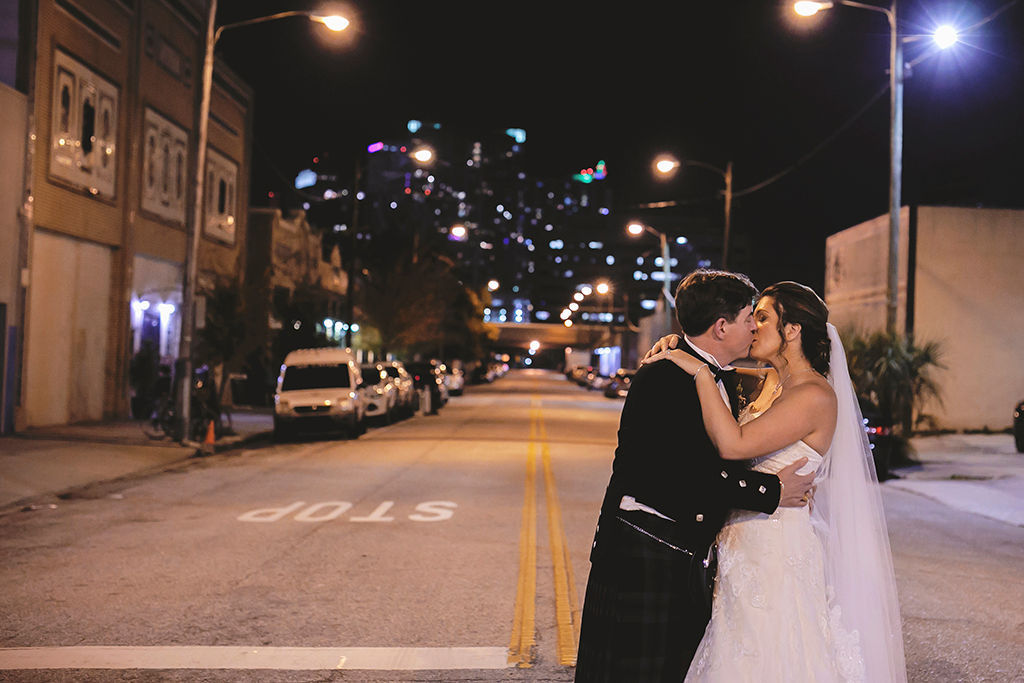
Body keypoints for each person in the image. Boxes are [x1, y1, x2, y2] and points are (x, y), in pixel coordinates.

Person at [643, 281, 906, 682]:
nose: (752, 326)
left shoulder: (814, 395)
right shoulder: (769, 382)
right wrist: (681, 344)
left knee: (772, 658)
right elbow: (717, 359)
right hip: (741, 546)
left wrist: (694, 368)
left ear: (793, 329)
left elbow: (735, 444)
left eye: (762, 317)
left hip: (776, 551)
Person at [574, 270, 816, 682]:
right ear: (721, 327)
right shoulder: (666, 377)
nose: (753, 329)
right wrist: (771, 490)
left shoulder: (720, 374)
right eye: (748, 319)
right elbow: (687, 474)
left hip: (678, 551)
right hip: (646, 548)